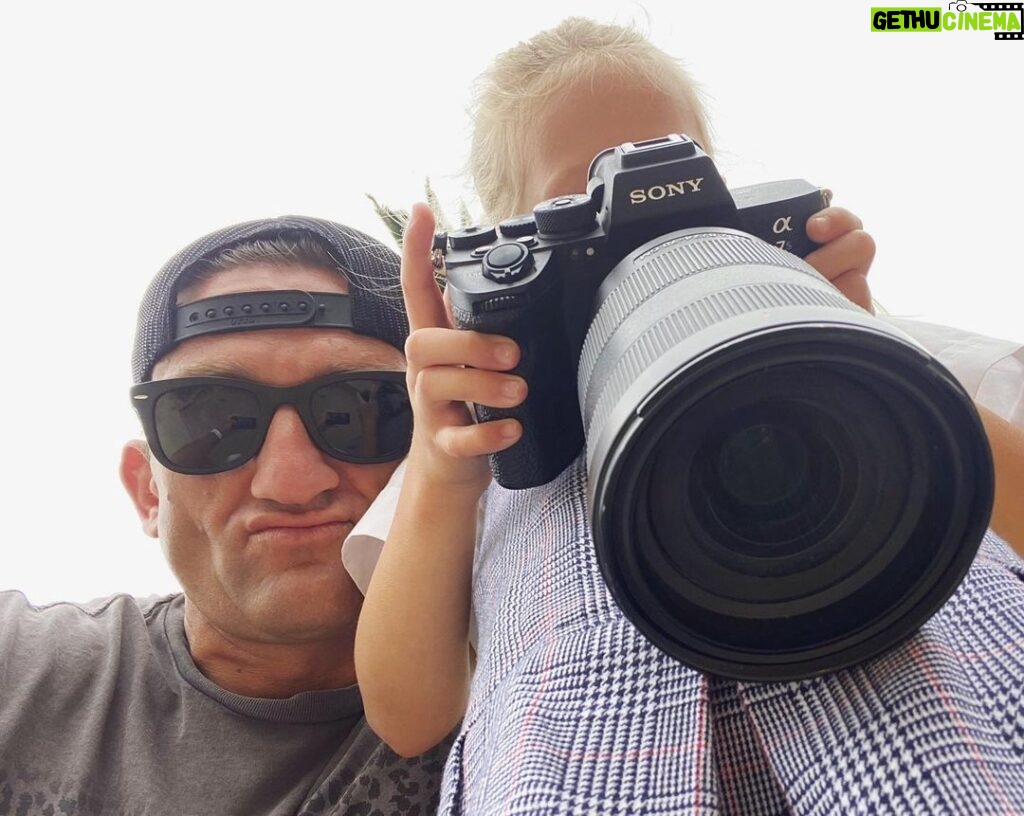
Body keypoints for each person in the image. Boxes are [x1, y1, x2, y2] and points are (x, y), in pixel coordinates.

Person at [355, 17, 1024, 814]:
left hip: (947, 746)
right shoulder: (478, 438)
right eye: (583, 204)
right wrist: (441, 472)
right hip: (587, 771)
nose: (651, 228)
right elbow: (408, 712)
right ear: (509, 246)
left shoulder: (839, 357)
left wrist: (870, 353)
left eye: (682, 189)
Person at [0, 216, 451, 815]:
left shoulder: (535, 682)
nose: (292, 482)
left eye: (363, 410)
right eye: (212, 421)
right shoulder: (20, 672)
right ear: (147, 492)